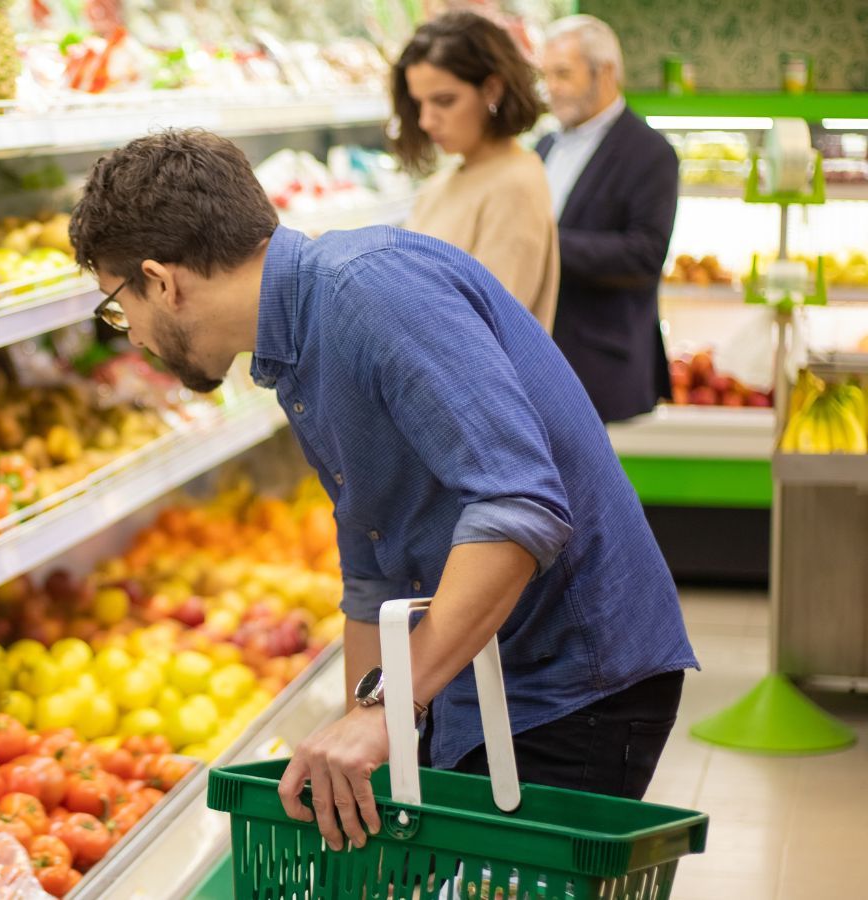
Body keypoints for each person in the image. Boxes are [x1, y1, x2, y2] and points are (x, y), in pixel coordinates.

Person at [68, 129, 696, 851]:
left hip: (571, 680)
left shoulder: (369, 291)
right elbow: (375, 571)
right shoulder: (293, 347)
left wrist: (389, 711)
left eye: (119, 307)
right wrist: (357, 734)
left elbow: (520, 508)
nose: (132, 336)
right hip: (480, 673)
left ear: (162, 280)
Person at [538, 15, 679, 422]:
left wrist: (541, 244)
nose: (551, 89)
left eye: (563, 74)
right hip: (544, 359)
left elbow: (645, 255)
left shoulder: (650, 152)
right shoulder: (545, 143)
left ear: (606, 73)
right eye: (546, 75)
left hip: (602, 369)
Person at [395, 10, 560, 330]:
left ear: (492, 90)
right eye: (419, 104)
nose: (426, 121)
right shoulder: (443, 183)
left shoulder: (515, 185)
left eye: (444, 101)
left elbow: (482, 329)